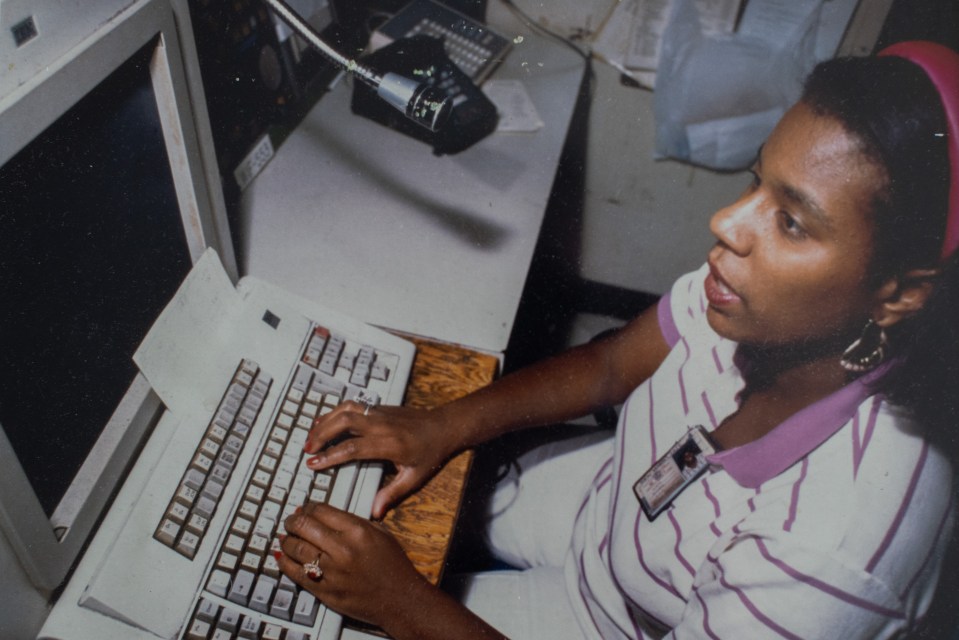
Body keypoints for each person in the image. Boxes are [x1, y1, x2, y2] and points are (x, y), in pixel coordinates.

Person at [276, 40, 959, 639]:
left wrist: (401, 606)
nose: (727, 223)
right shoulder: (761, 301)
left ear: (898, 294)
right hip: (606, 508)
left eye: (792, 223)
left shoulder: (835, 552)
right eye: (756, 183)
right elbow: (607, 367)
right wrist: (442, 424)